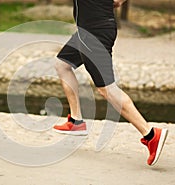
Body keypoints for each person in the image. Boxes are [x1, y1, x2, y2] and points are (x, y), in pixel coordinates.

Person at [52, 0, 168, 166]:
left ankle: (150, 134)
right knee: (62, 64)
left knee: (107, 89)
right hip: (90, 30)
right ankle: (76, 121)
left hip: (94, 33)